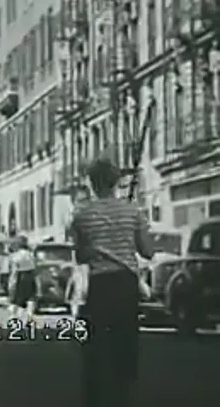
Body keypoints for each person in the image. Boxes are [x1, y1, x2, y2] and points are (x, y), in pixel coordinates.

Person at [72, 157, 154, 407]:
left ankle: (94, 395)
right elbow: (147, 251)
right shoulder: (132, 211)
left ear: (92, 183)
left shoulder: (82, 215)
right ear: (116, 181)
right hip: (126, 281)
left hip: (100, 283)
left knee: (95, 343)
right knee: (125, 339)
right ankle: (122, 391)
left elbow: (81, 255)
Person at [7, 235, 37, 321]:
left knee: (16, 297)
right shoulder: (30, 254)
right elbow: (35, 265)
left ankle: (13, 315)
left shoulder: (16, 255)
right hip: (30, 275)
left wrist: (11, 282)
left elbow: (14, 268)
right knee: (30, 297)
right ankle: (30, 315)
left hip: (20, 275)